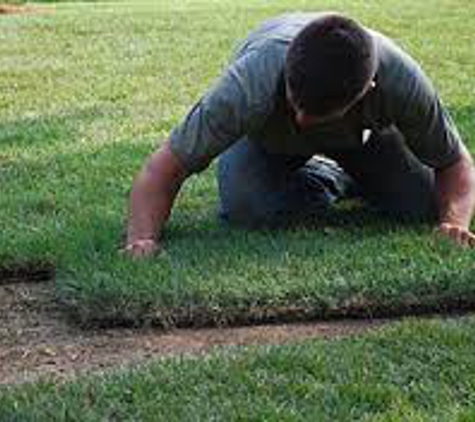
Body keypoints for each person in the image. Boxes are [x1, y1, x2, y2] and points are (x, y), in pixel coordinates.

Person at [125, 12, 475, 258]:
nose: (303, 119)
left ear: (366, 90)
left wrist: (453, 223)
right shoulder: (251, 81)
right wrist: (141, 240)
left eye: (318, 112)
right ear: (288, 66)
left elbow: (455, 161)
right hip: (268, 142)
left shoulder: (401, 80)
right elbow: (163, 169)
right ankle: (332, 176)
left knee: (422, 206)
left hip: (364, 138)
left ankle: (349, 172)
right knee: (247, 208)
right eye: (294, 102)